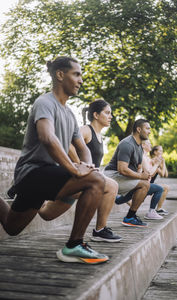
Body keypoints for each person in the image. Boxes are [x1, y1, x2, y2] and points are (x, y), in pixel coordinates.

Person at [0, 56, 109, 264]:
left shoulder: (69, 113)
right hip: (32, 173)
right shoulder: (45, 102)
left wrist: (87, 164)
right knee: (96, 181)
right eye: (76, 74)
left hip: (46, 176)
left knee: (11, 227)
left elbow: (82, 148)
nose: (81, 80)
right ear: (60, 75)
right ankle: (74, 245)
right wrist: (75, 170)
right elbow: (47, 138)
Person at [43, 99, 121, 242]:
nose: (111, 116)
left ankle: (29, 193)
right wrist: (80, 164)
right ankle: (100, 230)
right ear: (96, 115)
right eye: (107, 113)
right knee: (112, 186)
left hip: (84, 181)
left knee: (46, 214)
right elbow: (66, 143)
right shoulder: (86, 130)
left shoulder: (100, 136)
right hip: (74, 178)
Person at [104, 119, 151, 227]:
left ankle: (121, 202)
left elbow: (138, 168)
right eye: (147, 128)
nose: (149, 131)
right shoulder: (127, 144)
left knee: (148, 186)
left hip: (121, 176)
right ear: (139, 129)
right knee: (144, 185)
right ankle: (130, 217)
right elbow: (122, 169)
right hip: (112, 175)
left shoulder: (139, 147)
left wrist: (145, 175)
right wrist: (141, 177)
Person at [141, 140, 164, 220]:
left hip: (146, 182)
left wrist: (162, 163)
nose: (151, 144)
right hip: (143, 183)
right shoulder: (144, 157)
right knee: (160, 189)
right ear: (143, 145)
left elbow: (164, 174)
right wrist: (157, 164)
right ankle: (152, 212)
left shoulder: (147, 158)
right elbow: (150, 173)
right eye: (149, 143)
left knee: (120, 200)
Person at [150, 145, 169, 215]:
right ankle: (155, 209)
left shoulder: (158, 161)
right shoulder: (153, 161)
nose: (162, 152)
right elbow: (162, 174)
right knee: (165, 187)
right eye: (160, 150)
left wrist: (163, 163)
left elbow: (166, 175)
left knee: (166, 187)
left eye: (162, 151)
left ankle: (159, 209)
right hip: (147, 183)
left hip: (151, 183)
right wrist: (163, 163)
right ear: (155, 152)